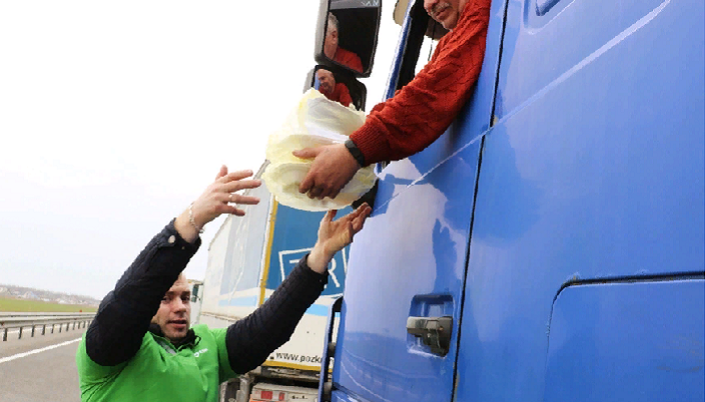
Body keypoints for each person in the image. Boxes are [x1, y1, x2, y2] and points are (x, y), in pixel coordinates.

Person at [75, 166, 372, 402]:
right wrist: (192, 220)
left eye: (185, 297)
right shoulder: (110, 353)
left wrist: (320, 254)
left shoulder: (207, 346)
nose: (180, 307)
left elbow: (267, 329)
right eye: (166, 298)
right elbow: (130, 301)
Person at [297, 0, 490, 200]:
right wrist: (351, 141)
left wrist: (354, 152)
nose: (428, 4)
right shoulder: (450, 40)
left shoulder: (482, 9)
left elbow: (430, 93)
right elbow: (414, 89)